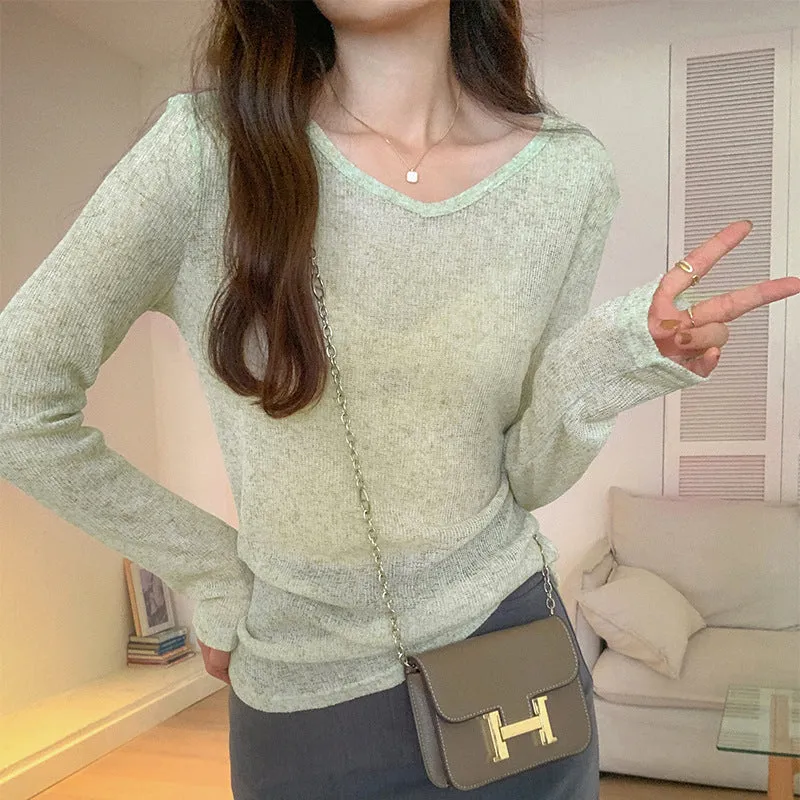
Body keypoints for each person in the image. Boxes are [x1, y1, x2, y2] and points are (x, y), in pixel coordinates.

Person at [1, 1, 797, 798]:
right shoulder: (208, 153)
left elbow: (526, 478)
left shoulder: (567, 177)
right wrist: (214, 572)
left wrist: (615, 361)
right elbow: (16, 401)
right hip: (308, 703)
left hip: (513, 655)